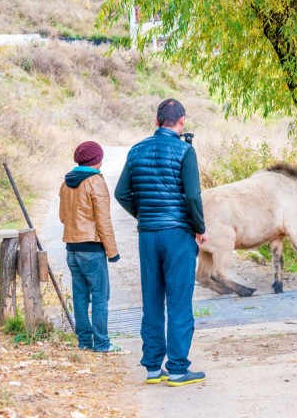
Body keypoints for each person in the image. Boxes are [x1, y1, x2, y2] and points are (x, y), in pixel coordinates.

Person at [114, 98, 208, 387]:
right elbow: (192, 197)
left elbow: (121, 193)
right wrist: (199, 228)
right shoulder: (184, 151)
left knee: (152, 300)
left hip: (148, 235)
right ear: (181, 122)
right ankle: (178, 369)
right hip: (178, 234)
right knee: (179, 301)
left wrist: (145, 214)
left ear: (156, 121)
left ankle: (153, 367)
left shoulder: (136, 150)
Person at [59, 141, 122, 352]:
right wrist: (112, 252)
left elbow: (62, 217)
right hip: (92, 250)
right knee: (100, 296)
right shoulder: (96, 182)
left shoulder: (66, 182)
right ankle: (102, 343)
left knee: (80, 296)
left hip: (72, 248)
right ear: (98, 159)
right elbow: (103, 221)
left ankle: (84, 342)